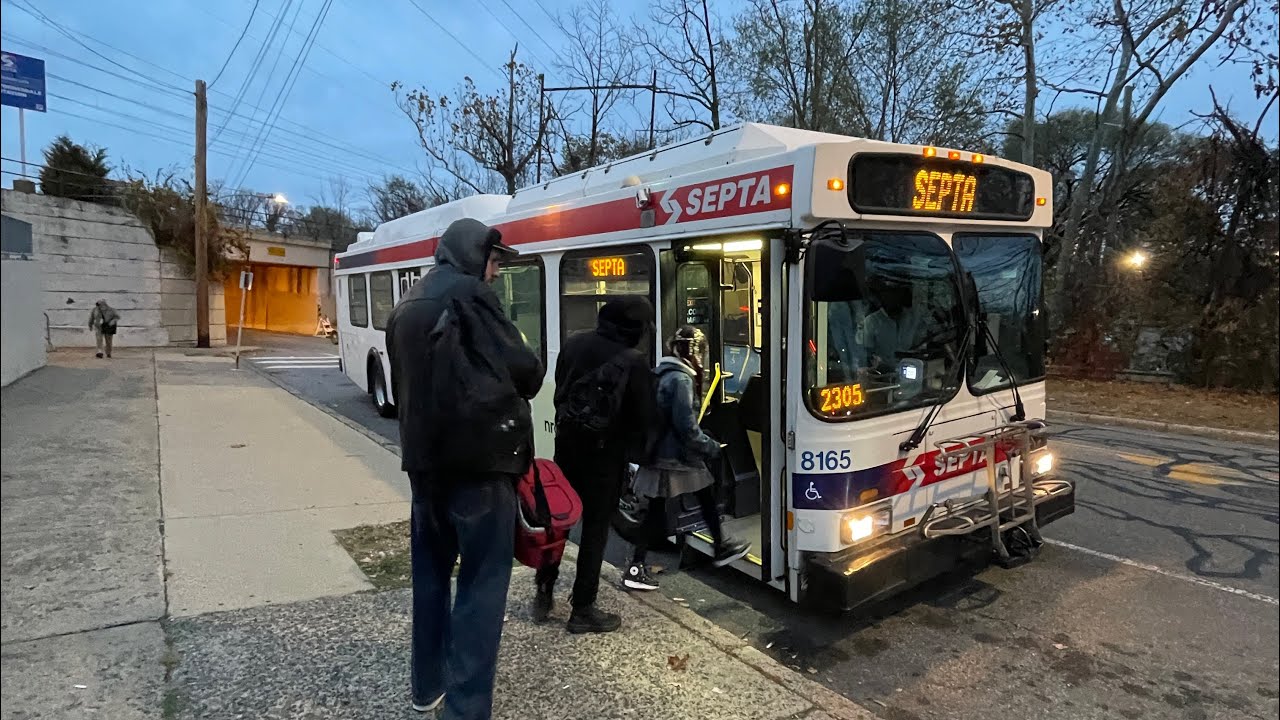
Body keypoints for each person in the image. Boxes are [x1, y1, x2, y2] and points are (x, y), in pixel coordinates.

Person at [384, 218, 545, 719]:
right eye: (494, 261)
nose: (495, 273)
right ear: (473, 255)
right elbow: (527, 372)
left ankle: (425, 687)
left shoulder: (408, 303)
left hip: (424, 466)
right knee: (481, 584)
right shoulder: (471, 297)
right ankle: (466, 707)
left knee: (430, 576)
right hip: (479, 467)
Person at [537, 296, 655, 633]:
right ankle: (583, 609)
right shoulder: (634, 362)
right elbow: (644, 419)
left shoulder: (574, 344)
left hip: (567, 450)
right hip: (605, 458)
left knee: (558, 522)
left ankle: (545, 590)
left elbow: (561, 391)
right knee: (594, 531)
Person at [624, 326, 750, 591]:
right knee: (703, 496)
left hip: (662, 454)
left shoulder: (662, 374)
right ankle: (720, 547)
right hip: (676, 457)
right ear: (694, 353)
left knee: (661, 509)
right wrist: (711, 446)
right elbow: (687, 427)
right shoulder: (681, 380)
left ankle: (638, 566)